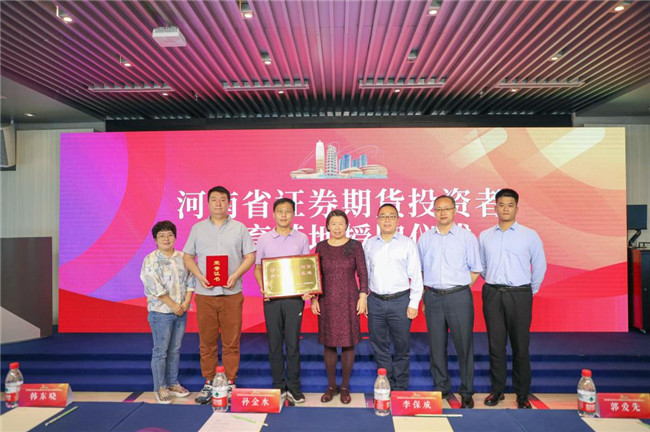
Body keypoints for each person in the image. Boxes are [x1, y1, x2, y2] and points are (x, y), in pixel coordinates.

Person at [183, 186, 256, 404]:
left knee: (231, 341)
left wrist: (235, 275)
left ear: (229, 203)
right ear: (207, 203)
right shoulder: (197, 229)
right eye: (214, 199)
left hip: (232, 292)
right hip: (205, 293)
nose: (218, 203)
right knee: (207, 341)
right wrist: (199, 276)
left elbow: (250, 256)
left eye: (222, 199)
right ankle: (209, 381)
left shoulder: (239, 228)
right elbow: (187, 256)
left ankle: (230, 381)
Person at [479, 188, 546, 409]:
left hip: (520, 294)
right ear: (495, 207)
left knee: (520, 346)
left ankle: (522, 394)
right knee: (495, 346)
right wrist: (492, 280)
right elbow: (481, 266)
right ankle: (497, 390)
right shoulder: (485, 235)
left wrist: (529, 291)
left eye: (510, 205)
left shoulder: (529, 235)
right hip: (492, 293)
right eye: (501, 204)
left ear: (517, 208)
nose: (505, 209)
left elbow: (540, 265)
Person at [417, 196, 482, 409]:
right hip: (433, 297)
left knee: (464, 346)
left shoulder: (466, 237)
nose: (442, 213)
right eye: (438, 209)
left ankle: (467, 391)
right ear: (433, 212)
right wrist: (424, 296)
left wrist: (459, 288)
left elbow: (476, 269)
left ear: (455, 211)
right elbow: (420, 270)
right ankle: (441, 387)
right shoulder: (425, 238)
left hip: (458, 296)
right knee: (436, 346)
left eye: (447, 209)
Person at [254, 198, 310, 404]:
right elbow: (258, 268)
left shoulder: (301, 238)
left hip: (294, 299)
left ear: (293, 214)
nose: (284, 215)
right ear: (274, 214)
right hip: (272, 299)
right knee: (275, 343)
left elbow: (306, 268)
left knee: (293, 344)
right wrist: (263, 287)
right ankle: (278, 386)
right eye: (280, 211)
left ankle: (294, 387)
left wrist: (307, 289)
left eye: (287, 211)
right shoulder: (264, 239)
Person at [311, 209, 369, 404]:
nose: (337, 227)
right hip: (326, 300)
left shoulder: (355, 246)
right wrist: (313, 299)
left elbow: (363, 272)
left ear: (346, 226)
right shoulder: (321, 247)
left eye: (341, 223)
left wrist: (363, 296)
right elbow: (314, 275)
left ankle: (344, 387)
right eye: (333, 224)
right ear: (327, 226)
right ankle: (331, 386)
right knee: (328, 343)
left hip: (349, 299)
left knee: (347, 343)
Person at [363, 203, 423, 391]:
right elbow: (366, 274)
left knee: (401, 346)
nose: (387, 220)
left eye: (391, 216)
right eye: (383, 216)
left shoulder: (407, 243)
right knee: (379, 345)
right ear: (377, 220)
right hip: (376, 301)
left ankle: (401, 387)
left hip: (400, 301)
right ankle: (385, 383)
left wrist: (414, 303)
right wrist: (365, 299)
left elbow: (416, 275)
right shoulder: (369, 244)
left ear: (397, 220)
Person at [141, 220, 194, 404]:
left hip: (181, 310)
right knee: (160, 351)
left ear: (175, 237)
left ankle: (173, 383)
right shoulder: (150, 260)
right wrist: (173, 305)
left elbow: (191, 280)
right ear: (155, 240)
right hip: (161, 312)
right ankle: (160, 387)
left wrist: (186, 303)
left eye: (169, 235)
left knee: (175, 350)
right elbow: (154, 287)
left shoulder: (183, 257)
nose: (166, 238)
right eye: (161, 236)